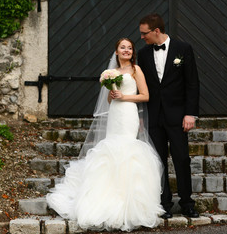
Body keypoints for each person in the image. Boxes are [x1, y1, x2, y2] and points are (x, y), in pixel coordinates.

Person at [46, 38, 165, 231]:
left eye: (129, 48)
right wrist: (112, 95)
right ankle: (107, 198)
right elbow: (110, 102)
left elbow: (145, 95)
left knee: (127, 150)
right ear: (116, 52)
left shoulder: (136, 70)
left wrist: (124, 96)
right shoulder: (111, 73)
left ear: (132, 52)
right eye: (122, 47)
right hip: (115, 116)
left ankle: (130, 204)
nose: (126, 50)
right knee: (111, 150)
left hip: (128, 115)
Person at [137, 13, 200, 219]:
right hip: (154, 116)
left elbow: (192, 83)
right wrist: (140, 115)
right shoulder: (143, 53)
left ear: (156, 31)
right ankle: (164, 203)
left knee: (182, 158)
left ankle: (187, 203)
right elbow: (141, 85)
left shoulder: (183, 49)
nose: (142, 37)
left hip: (178, 115)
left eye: (144, 33)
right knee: (158, 161)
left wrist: (190, 113)